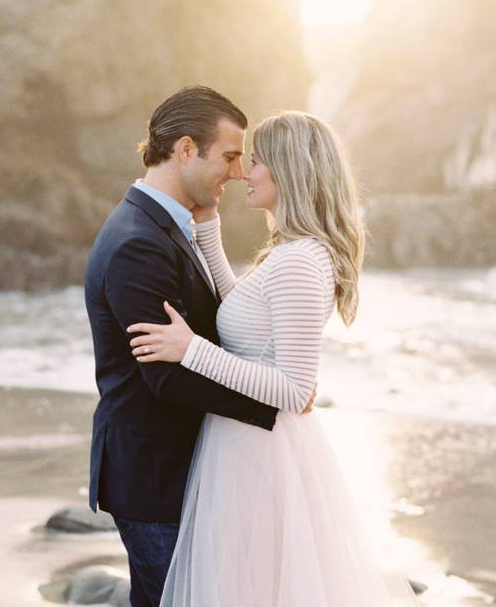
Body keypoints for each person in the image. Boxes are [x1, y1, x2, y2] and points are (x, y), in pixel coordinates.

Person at [127, 111, 421, 606]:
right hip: (247, 447)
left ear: (289, 171)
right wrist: (209, 230)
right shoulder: (290, 255)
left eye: (257, 161)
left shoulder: (301, 261)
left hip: (262, 455)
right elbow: (240, 316)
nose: (244, 172)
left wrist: (190, 350)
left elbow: (294, 389)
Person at [84, 87, 292, 607]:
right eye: (228, 155)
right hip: (156, 477)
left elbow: (211, 321)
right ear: (184, 150)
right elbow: (166, 375)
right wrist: (279, 403)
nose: (240, 171)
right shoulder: (139, 243)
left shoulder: (171, 227)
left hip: (171, 470)